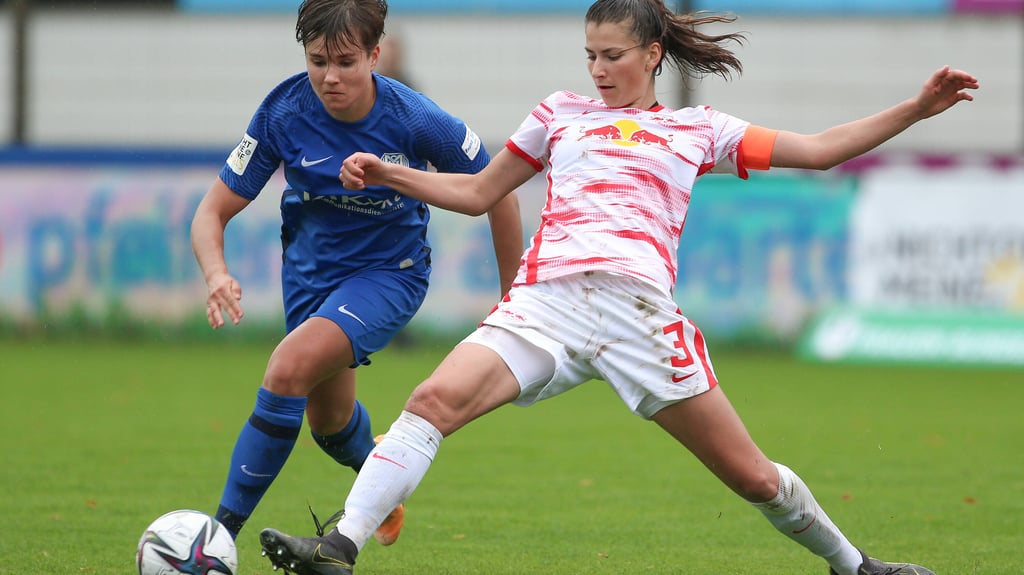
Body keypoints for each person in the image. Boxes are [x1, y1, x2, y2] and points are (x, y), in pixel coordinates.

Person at [257, 0, 979, 573]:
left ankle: (854, 565)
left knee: (753, 477)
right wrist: (392, 171)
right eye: (590, 55)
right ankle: (341, 546)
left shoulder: (700, 129)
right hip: (548, 301)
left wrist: (914, 109)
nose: (598, 69)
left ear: (652, 54)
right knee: (430, 401)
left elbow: (820, 151)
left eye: (613, 55)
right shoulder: (558, 116)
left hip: (639, 313)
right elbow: (480, 193)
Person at [189, 0, 523, 547]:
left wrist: (514, 297)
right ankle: (381, 482)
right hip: (309, 277)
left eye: (345, 61)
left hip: (388, 274)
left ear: (374, 54)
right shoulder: (283, 110)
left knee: (287, 368)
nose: (329, 76)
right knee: (328, 421)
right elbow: (211, 212)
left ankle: (217, 541)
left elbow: (497, 189)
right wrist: (216, 272)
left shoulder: (414, 117)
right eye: (318, 60)